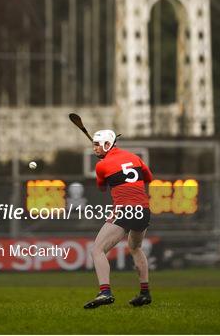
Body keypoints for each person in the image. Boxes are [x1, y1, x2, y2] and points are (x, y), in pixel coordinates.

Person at [84, 129, 153, 309]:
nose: (94, 148)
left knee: (97, 250)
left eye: (98, 145)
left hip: (124, 210)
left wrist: (105, 165)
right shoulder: (135, 157)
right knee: (135, 247)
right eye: (94, 145)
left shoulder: (101, 165)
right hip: (143, 210)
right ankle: (145, 293)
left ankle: (105, 292)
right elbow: (149, 177)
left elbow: (101, 188)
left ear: (108, 144)